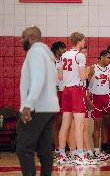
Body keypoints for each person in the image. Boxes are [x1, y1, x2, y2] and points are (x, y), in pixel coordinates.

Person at [16, 26, 60, 176]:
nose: (20, 40)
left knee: (23, 148)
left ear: (32, 37)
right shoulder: (47, 55)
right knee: (44, 150)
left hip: (38, 107)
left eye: (23, 36)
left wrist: (28, 104)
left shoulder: (35, 52)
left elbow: (38, 79)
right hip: (50, 107)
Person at [57, 32, 96, 165]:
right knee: (79, 124)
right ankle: (80, 155)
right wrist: (89, 70)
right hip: (77, 90)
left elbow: (60, 76)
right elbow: (82, 76)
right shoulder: (80, 56)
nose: (84, 43)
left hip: (66, 90)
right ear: (79, 41)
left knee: (65, 124)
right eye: (83, 40)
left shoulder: (63, 55)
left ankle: (62, 154)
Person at [88, 50, 110, 160]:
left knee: (106, 124)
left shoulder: (109, 69)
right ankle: (96, 151)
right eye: (108, 58)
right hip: (96, 98)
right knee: (97, 126)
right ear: (102, 57)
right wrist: (88, 99)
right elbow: (87, 85)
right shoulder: (93, 68)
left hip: (107, 98)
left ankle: (104, 149)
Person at [51, 41, 66, 158]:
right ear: (57, 49)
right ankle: (56, 147)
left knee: (62, 121)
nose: (65, 50)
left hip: (63, 91)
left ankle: (61, 147)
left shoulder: (64, 60)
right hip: (53, 92)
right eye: (63, 48)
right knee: (55, 122)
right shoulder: (49, 60)